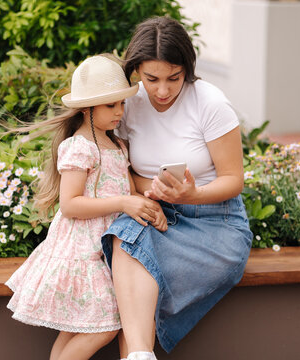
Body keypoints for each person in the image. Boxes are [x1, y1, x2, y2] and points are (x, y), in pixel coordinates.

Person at [101, 17, 254, 360]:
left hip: (215, 223)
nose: (163, 91)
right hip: (156, 212)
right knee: (127, 234)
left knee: (136, 272)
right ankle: (141, 355)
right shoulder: (127, 105)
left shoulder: (210, 103)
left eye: (175, 78)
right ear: (136, 69)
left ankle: (138, 354)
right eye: (151, 79)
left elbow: (233, 180)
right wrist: (150, 191)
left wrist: (193, 195)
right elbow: (123, 171)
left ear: (188, 68)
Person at [5, 55, 167, 360]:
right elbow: (70, 204)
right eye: (110, 105)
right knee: (105, 326)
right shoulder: (80, 147)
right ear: (85, 108)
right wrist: (122, 202)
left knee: (79, 327)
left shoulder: (117, 145)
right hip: (83, 249)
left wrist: (148, 208)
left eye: (121, 103)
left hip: (111, 247)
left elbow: (129, 192)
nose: (119, 111)